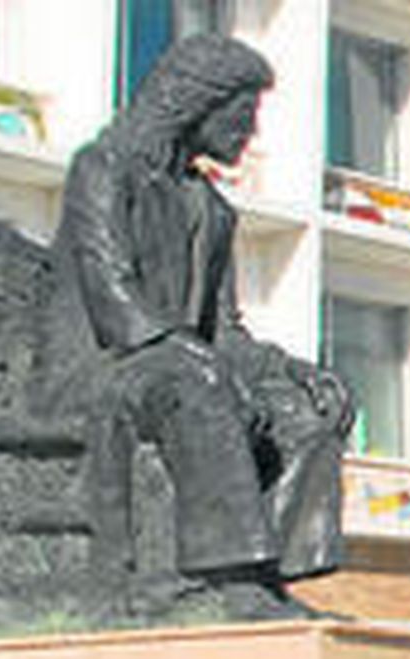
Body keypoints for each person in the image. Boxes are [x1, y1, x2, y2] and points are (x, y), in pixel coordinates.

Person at [43, 34, 355, 620]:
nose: (250, 132)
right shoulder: (103, 168)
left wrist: (292, 372)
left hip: (178, 370)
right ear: (199, 105)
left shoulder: (211, 208)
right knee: (198, 384)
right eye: (242, 115)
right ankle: (228, 576)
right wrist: (197, 358)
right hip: (101, 370)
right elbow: (113, 299)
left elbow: (225, 331)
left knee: (308, 410)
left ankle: (268, 576)